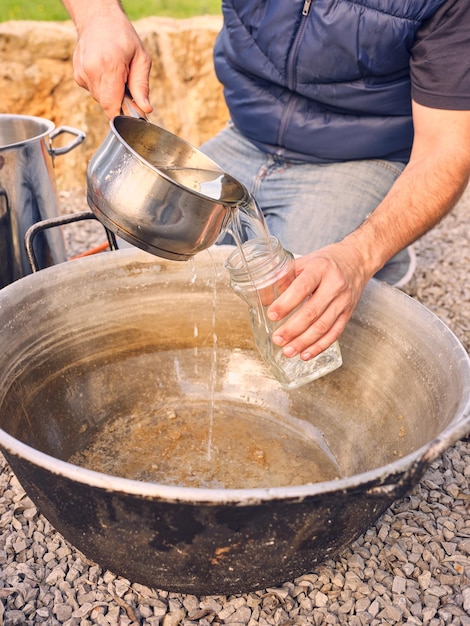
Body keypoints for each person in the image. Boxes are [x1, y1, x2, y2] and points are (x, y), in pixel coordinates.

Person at [62, 0, 470, 363]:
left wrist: (358, 256)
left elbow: (447, 150)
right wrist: (97, 14)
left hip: (362, 155)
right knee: (139, 295)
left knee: (289, 323)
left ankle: (383, 250)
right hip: (246, 133)